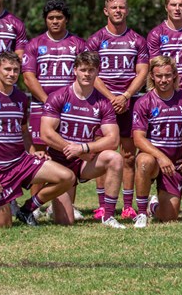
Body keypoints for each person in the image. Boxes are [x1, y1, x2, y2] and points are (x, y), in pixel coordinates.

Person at [0, 52, 75, 227]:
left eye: (15, 70)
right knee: (3, 225)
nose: (11, 74)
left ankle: (27, 209)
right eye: (7, 69)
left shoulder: (21, 98)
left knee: (67, 177)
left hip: (21, 162)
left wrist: (35, 153)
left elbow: (24, 132)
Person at [40, 51, 124, 228]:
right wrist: (73, 148)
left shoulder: (103, 102)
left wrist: (84, 148)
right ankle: (47, 206)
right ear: (75, 70)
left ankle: (108, 216)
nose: (87, 74)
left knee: (115, 158)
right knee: (66, 222)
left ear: (97, 72)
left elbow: (113, 140)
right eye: (83, 69)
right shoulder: (59, 96)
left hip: (84, 161)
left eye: (91, 70)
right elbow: (46, 133)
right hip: (60, 162)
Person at [85, 0, 150, 221]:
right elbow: (91, 73)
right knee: (103, 152)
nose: (118, 11)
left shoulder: (137, 40)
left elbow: (142, 71)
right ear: (106, 11)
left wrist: (126, 95)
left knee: (129, 154)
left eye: (122, 7)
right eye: (114, 7)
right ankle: (103, 205)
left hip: (130, 101)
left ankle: (128, 205)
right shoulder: (95, 40)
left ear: (127, 10)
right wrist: (112, 97)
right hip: (103, 101)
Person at [132, 55, 182, 227]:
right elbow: (138, 139)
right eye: (159, 76)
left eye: (168, 75)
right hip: (154, 159)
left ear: (175, 76)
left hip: (175, 163)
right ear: (152, 77)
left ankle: (153, 206)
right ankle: (141, 214)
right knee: (144, 161)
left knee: (169, 217)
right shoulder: (144, 102)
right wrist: (160, 157)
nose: (163, 80)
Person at [22, 0, 87, 151]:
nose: (55, 21)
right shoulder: (34, 44)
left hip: (71, 106)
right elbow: (28, 78)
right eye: (51, 18)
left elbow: (86, 76)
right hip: (41, 104)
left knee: (72, 149)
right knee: (40, 151)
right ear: (46, 20)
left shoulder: (79, 44)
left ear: (67, 19)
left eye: (59, 17)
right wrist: (49, 101)